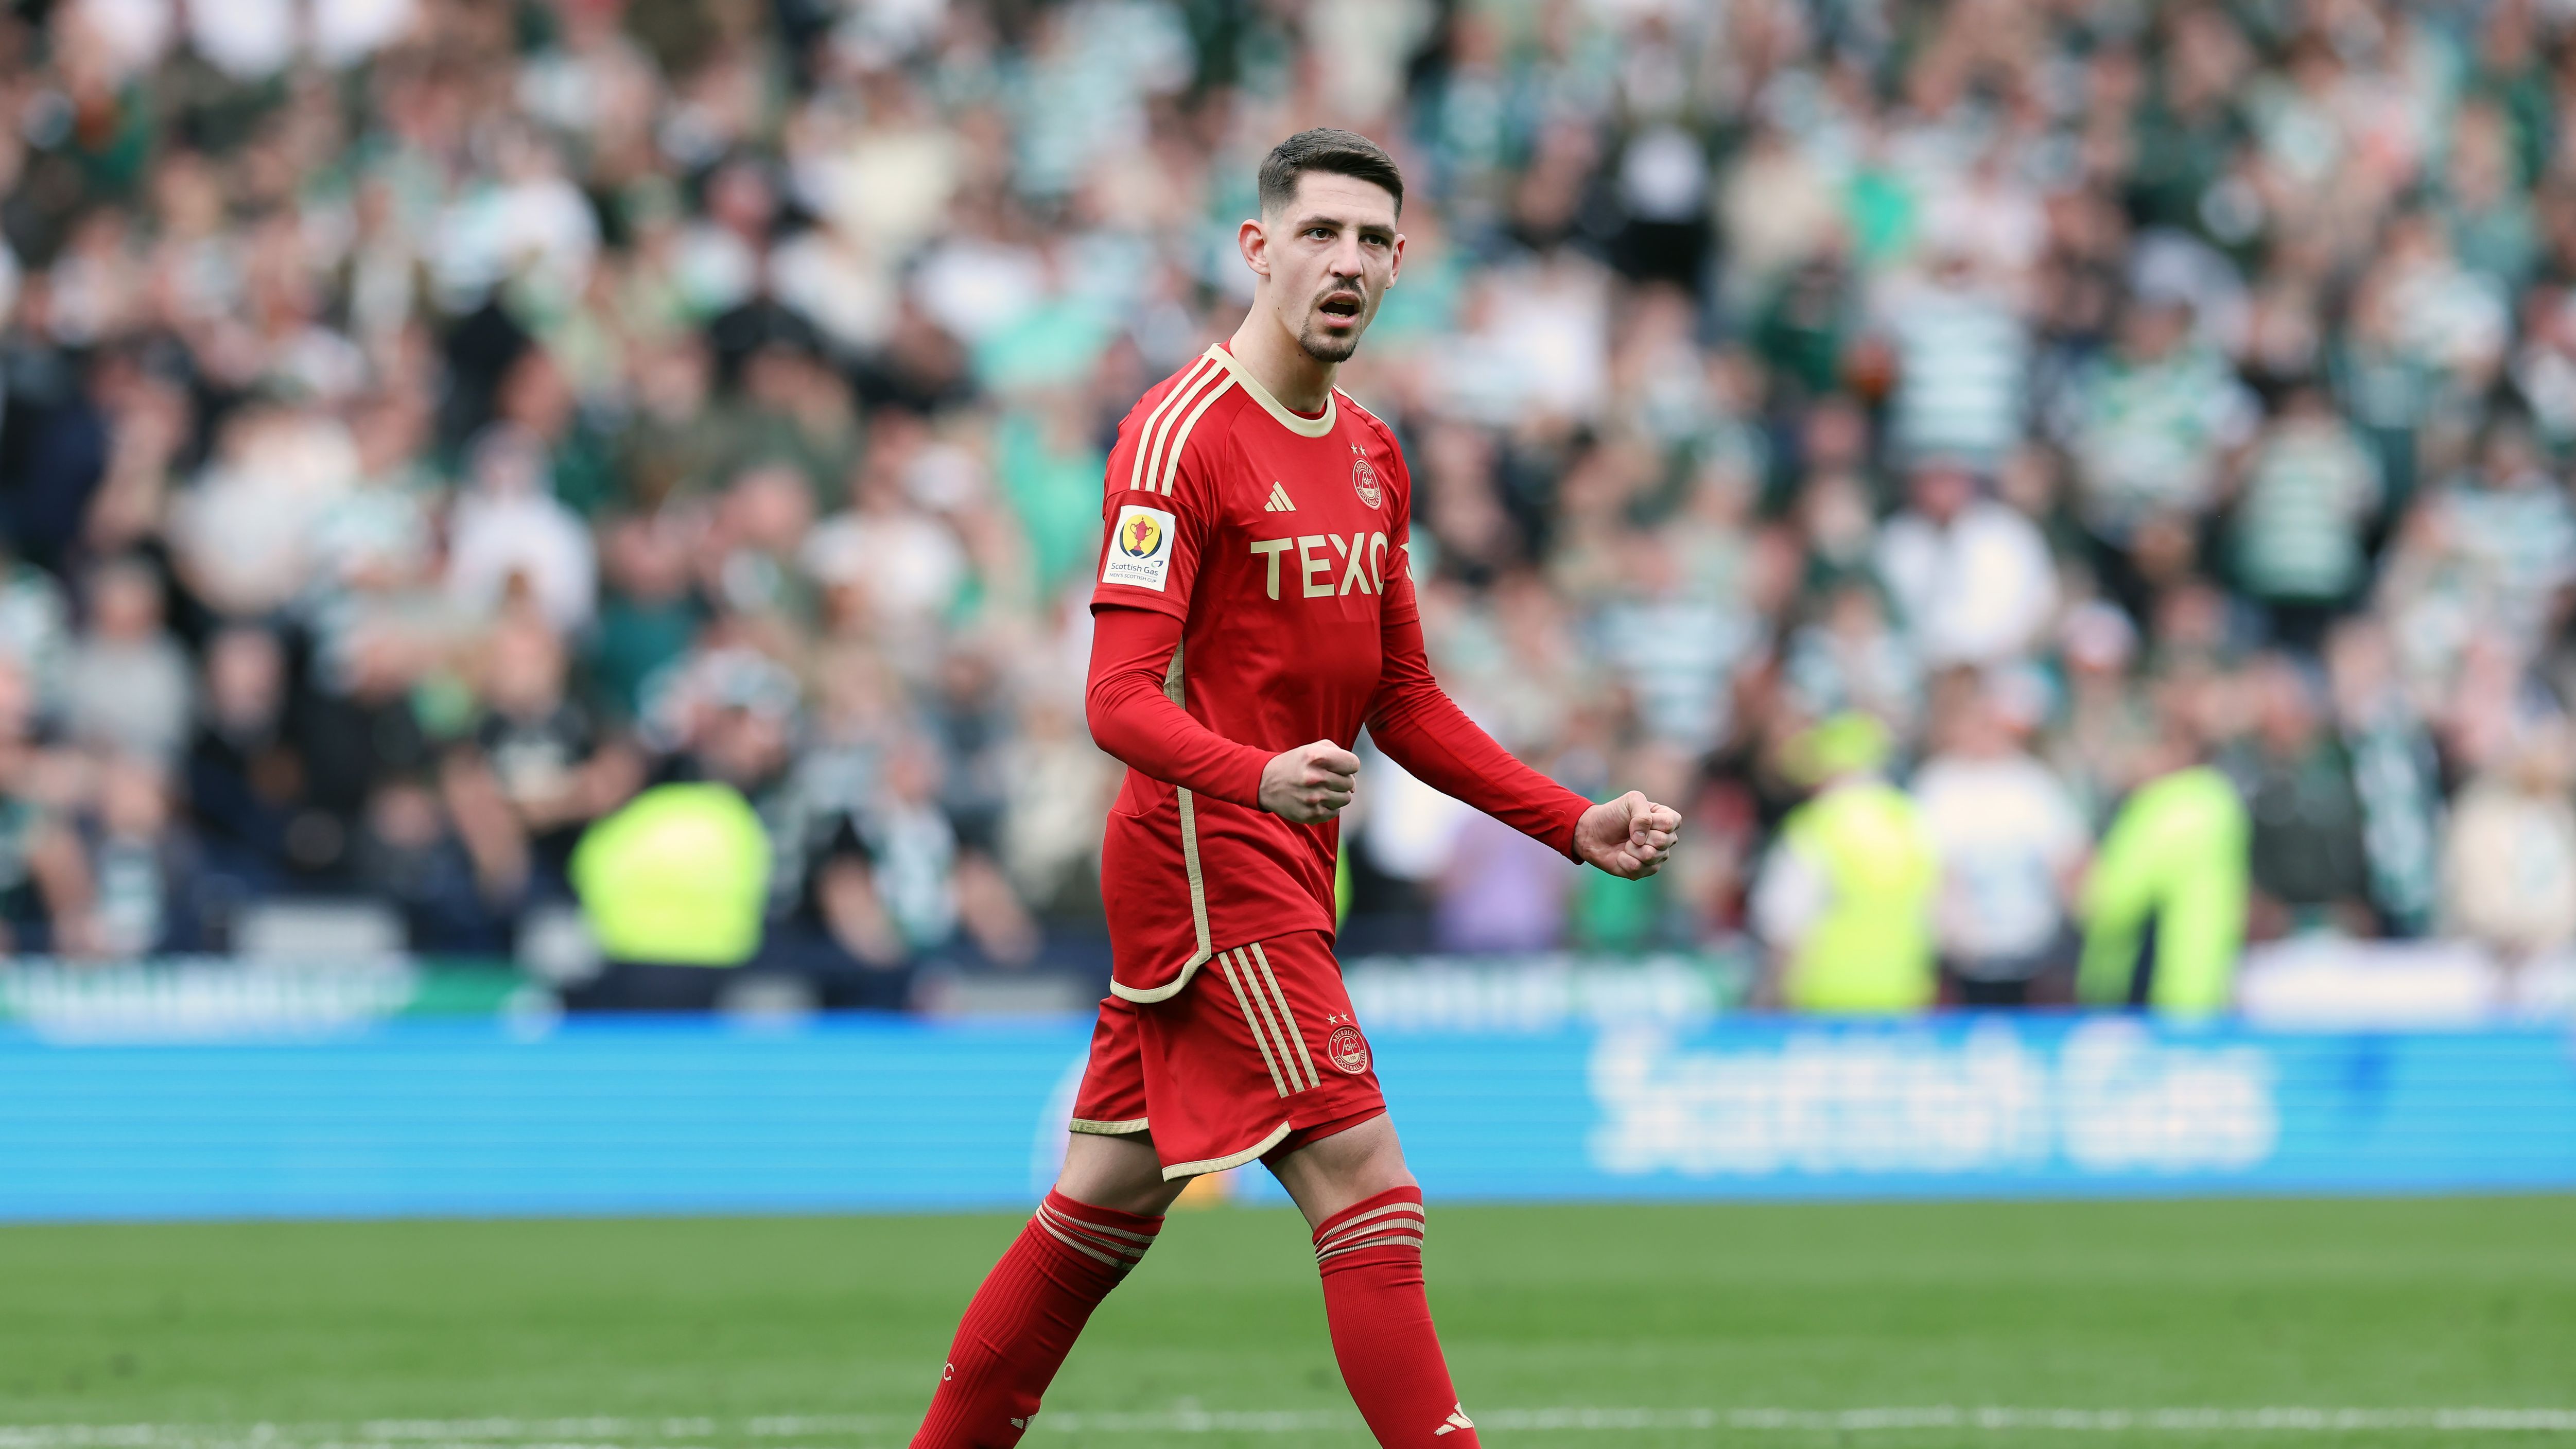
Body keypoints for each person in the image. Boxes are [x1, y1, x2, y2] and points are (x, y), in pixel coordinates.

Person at [908, 130, 1681, 1449]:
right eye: (1318, 233)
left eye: (1374, 241)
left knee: (1099, 1211)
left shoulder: (1373, 453)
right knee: (1366, 1185)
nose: (1348, 261)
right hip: (1207, 864)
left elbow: (1405, 703)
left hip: (1272, 865)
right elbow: (1116, 702)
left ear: (1397, 269)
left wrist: (1569, 821)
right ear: (1256, 250)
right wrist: (1257, 776)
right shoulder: (1176, 438)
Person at [1748, 711, 1941, 1012]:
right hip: (1903, 993)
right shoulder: (1912, 820)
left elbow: (1783, 923)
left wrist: (1774, 991)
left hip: (1823, 996)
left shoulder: (1813, 825)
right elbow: (1944, 914)